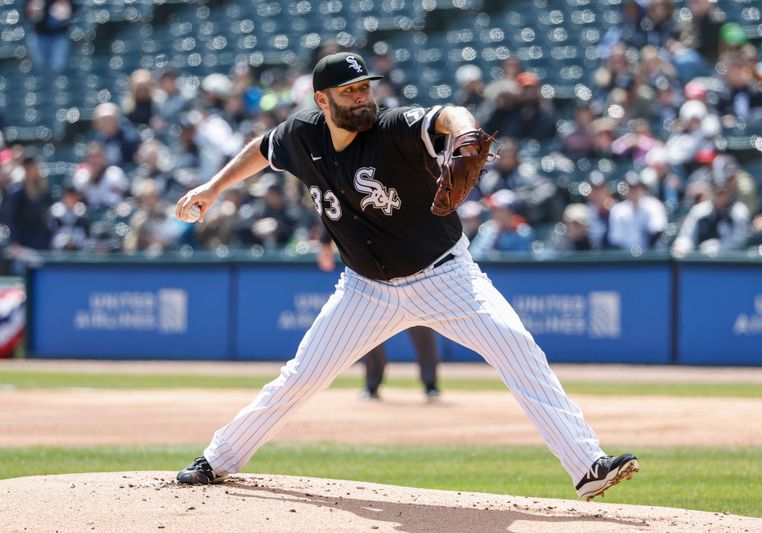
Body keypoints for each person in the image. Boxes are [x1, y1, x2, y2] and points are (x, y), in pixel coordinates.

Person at [174, 51, 638, 500]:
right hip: (365, 290)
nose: (361, 97)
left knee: (518, 350)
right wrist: (213, 188)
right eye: (349, 91)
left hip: (447, 279)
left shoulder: (392, 127)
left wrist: (466, 135)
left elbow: (448, 115)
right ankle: (218, 459)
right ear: (322, 101)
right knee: (300, 378)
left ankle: (587, 465)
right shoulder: (301, 135)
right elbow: (262, 149)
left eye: (364, 88)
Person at [316, 229, 441, 401]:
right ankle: (372, 385)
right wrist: (325, 243)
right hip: (372, 273)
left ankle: (430, 384)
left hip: (411, 271)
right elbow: (336, 205)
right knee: (369, 334)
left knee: (423, 329)